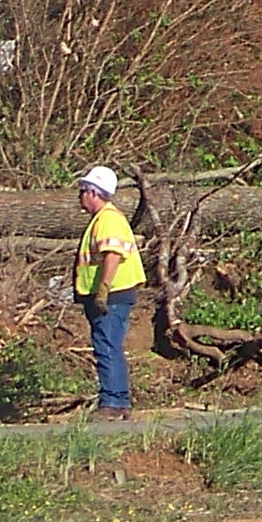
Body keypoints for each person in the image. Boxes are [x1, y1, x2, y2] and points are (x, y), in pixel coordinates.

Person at [74, 164, 146, 418]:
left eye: (83, 190)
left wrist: (103, 289)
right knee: (108, 344)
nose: (80, 196)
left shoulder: (108, 219)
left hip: (113, 295)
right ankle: (118, 401)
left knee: (107, 345)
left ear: (94, 192)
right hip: (111, 294)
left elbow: (113, 255)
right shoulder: (104, 219)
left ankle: (113, 402)